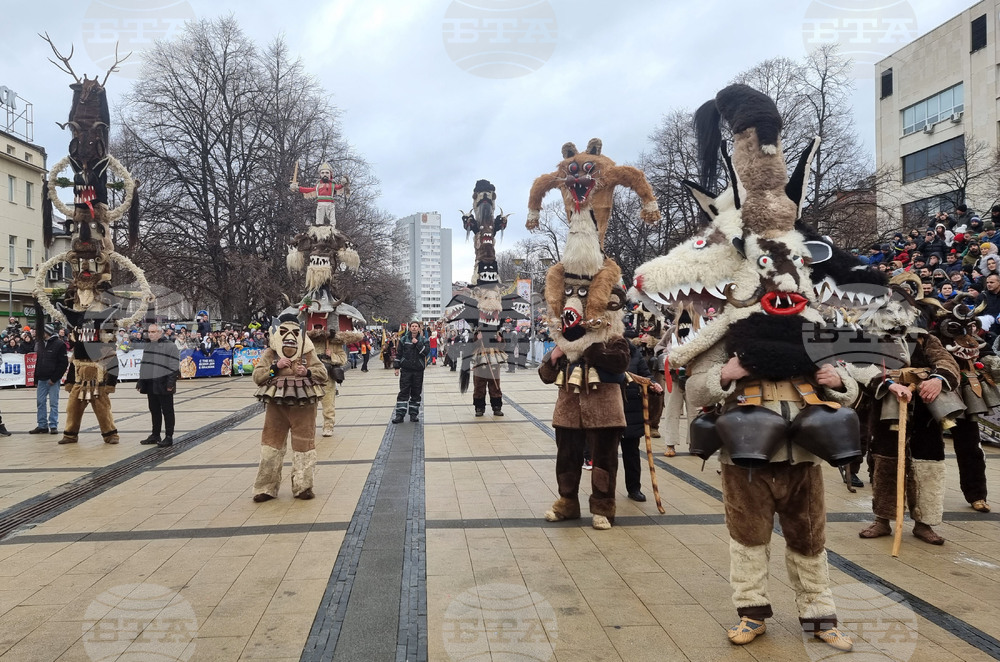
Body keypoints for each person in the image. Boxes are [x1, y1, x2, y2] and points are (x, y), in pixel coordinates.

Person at [251, 313, 328, 501]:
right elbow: (257, 376)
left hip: (303, 405)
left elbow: (322, 374)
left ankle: (303, 486)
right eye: (284, 331)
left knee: (304, 444)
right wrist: (275, 368)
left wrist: (307, 371)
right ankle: (265, 487)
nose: (290, 337)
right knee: (271, 444)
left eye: (294, 332)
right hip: (277, 404)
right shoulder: (271, 353)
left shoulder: (308, 352)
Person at [620, 331, 663, 502]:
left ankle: (634, 488)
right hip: (609, 410)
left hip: (632, 409)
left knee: (631, 453)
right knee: (607, 456)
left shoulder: (633, 353)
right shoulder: (602, 353)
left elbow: (646, 375)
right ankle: (605, 492)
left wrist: (652, 385)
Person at [137, 324, 180, 447]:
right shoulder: (148, 346)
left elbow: (173, 366)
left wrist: (170, 383)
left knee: (167, 411)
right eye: (149, 332)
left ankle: (169, 436)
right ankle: (155, 434)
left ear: (160, 333)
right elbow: (144, 364)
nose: (150, 334)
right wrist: (141, 381)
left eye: (153, 332)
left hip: (164, 383)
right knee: (154, 410)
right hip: (151, 384)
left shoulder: (170, 346)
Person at [30, 325, 69, 435]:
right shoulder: (41, 344)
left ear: (47, 332)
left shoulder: (59, 344)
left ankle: (53, 425)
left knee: (53, 403)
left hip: (52, 379)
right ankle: (42, 425)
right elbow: (38, 361)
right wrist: (36, 378)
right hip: (41, 379)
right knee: (40, 402)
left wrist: (55, 378)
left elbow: (63, 363)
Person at [290, 162, 347, 229]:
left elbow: (338, 187)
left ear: (330, 174)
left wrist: (343, 183)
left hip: (330, 205)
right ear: (320, 174)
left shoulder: (333, 184)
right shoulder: (318, 185)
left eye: (327, 173)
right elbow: (309, 190)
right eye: (322, 173)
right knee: (319, 222)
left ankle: (333, 231)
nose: (325, 174)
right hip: (320, 204)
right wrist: (298, 188)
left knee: (332, 222)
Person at [392, 321, 429, 423]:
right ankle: (400, 415)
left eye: (416, 326)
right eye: (412, 326)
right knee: (403, 392)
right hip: (406, 370)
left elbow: (426, 352)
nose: (414, 328)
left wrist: (417, 343)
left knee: (416, 393)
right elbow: (399, 354)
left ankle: (413, 414)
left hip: (418, 370)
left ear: (419, 328)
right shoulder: (404, 339)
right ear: (409, 328)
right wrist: (396, 367)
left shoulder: (424, 340)